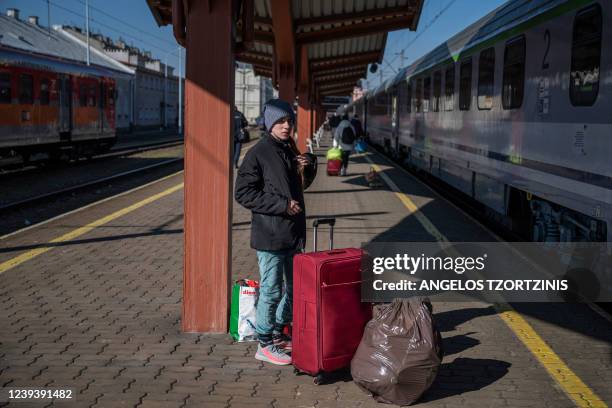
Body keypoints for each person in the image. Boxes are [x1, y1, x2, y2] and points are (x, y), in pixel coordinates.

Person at [235, 99, 317, 365]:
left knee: (294, 289)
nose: (286, 126)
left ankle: (278, 330)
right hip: (270, 235)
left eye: (289, 121)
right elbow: (243, 193)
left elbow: (301, 186)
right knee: (271, 290)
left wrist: (310, 165)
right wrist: (281, 205)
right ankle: (265, 343)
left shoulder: (288, 149)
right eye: (281, 121)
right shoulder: (258, 152)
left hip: (292, 233)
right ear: (270, 122)